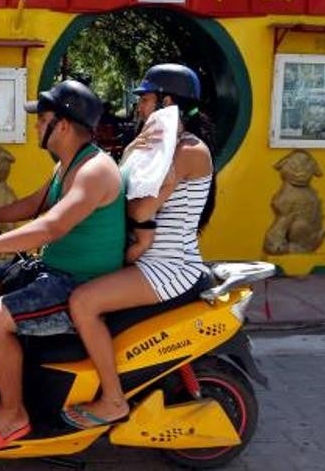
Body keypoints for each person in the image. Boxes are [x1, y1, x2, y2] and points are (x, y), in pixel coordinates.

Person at [0, 80, 125, 456]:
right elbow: (32, 204)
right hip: (52, 269)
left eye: (41, 119)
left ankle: (12, 414)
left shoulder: (94, 170)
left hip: (76, 282)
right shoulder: (68, 164)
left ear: (62, 125)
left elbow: (51, 225)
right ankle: (15, 368)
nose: (35, 127)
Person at [62, 63, 217, 429]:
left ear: (167, 102)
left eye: (146, 100)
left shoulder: (187, 150)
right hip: (147, 257)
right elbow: (124, 193)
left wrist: (139, 202)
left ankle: (114, 401)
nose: (140, 108)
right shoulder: (159, 146)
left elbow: (140, 207)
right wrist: (131, 149)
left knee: (82, 302)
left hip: (168, 268)